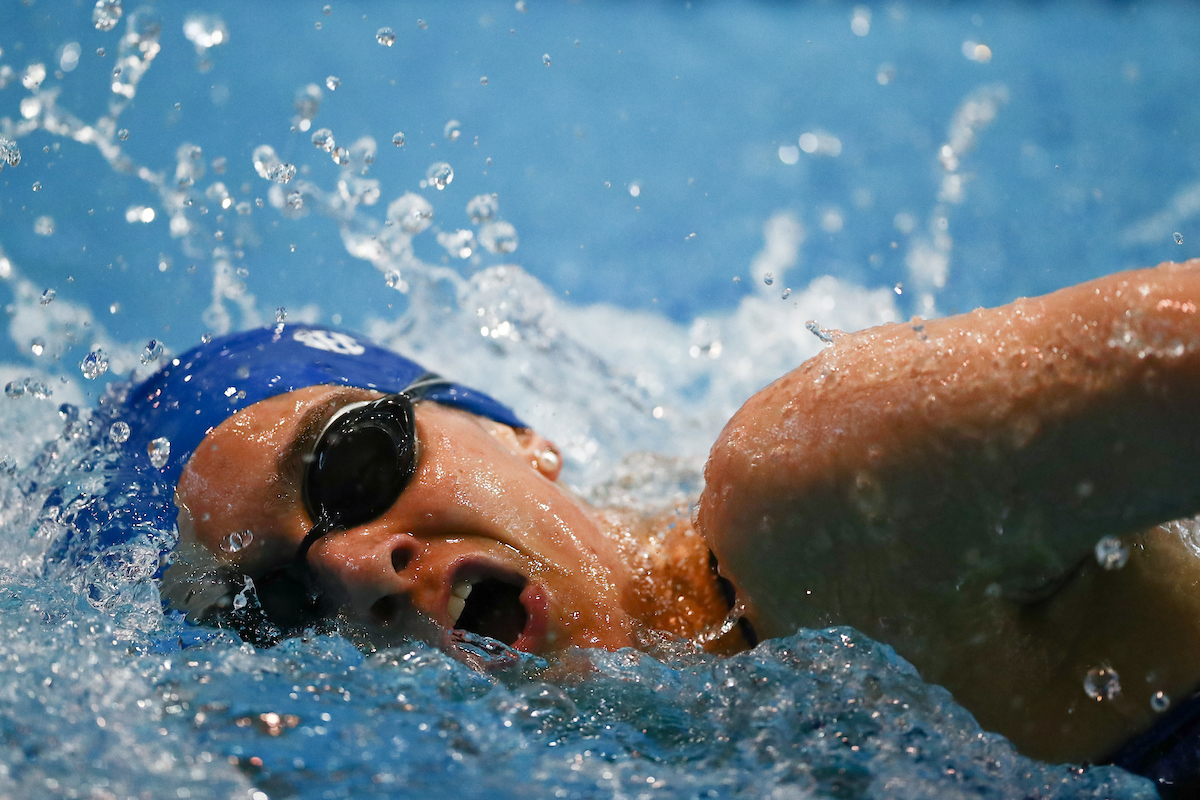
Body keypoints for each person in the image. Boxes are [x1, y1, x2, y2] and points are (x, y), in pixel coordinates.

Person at [110, 259, 1200, 786]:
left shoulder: (825, 495)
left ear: (517, 435)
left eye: (352, 465)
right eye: (274, 605)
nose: (357, 568)